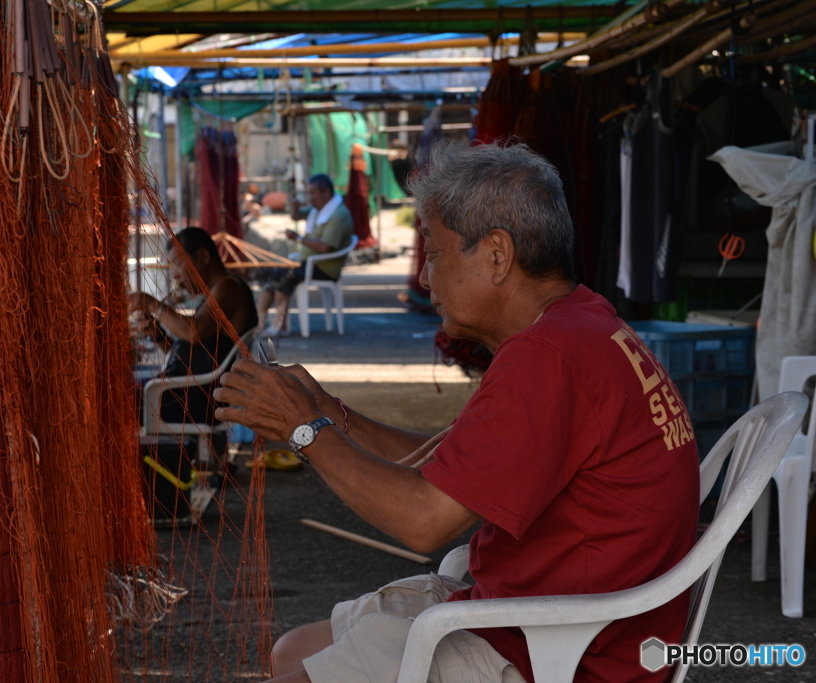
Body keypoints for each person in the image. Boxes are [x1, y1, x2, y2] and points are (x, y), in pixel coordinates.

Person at [213, 142, 700, 683]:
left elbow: (424, 521)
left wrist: (304, 431)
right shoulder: (579, 322)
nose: (425, 278)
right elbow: (438, 467)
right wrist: (328, 414)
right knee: (292, 652)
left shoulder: (549, 358)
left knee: (300, 672)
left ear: (496, 255)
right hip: (541, 616)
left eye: (436, 254)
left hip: (564, 650)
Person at [131, 227, 258, 428]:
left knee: (113, 396)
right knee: (120, 387)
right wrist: (158, 336)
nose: (175, 276)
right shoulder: (214, 294)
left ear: (203, 256)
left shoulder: (229, 287)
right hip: (185, 390)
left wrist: (150, 304)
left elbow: (193, 332)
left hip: (196, 399)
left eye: (178, 264)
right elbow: (191, 357)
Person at [257, 174, 354, 335]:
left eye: (312, 193)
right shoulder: (319, 208)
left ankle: (281, 325)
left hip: (324, 267)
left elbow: (326, 248)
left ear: (326, 193)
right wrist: (294, 206)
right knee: (269, 273)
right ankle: (260, 323)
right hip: (306, 261)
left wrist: (298, 238)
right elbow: (297, 216)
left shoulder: (338, 215)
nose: (310, 198)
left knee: (282, 275)